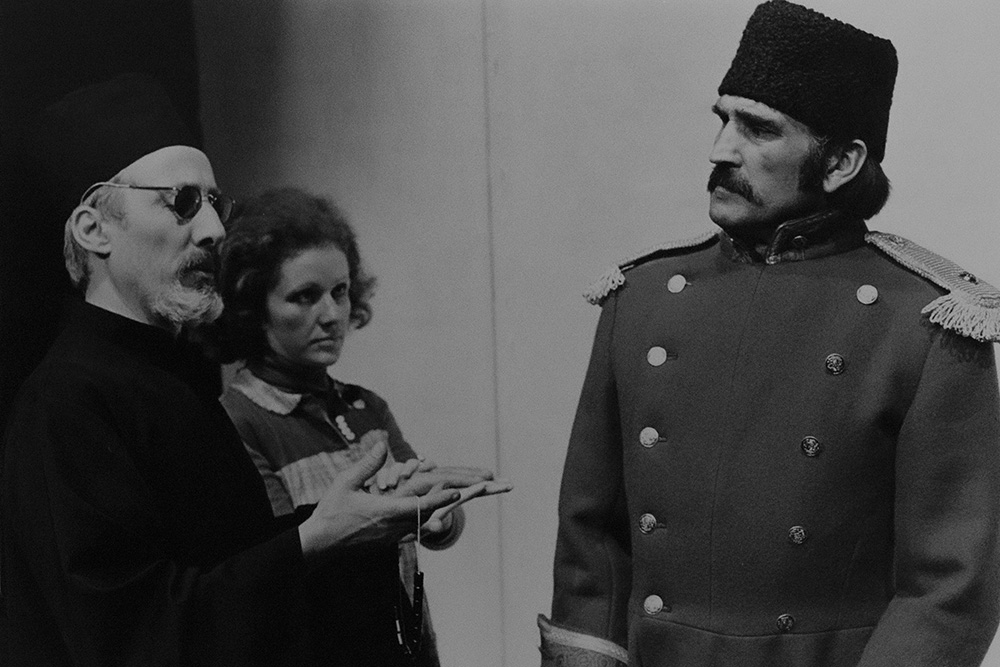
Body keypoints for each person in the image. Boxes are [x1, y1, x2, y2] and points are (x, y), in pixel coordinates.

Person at [539, 2, 1000, 666]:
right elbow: (591, 547)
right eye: (722, 119)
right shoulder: (640, 299)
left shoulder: (927, 323)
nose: (720, 151)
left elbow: (947, 592)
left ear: (841, 161)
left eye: (759, 130)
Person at [0, 73, 495, 666]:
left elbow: (232, 566)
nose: (212, 229)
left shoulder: (167, 377)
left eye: (215, 204)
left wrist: (366, 514)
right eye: (182, 201)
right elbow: (130, 635)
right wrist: (318, 537)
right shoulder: (66, 403)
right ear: (93, 228)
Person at [215, 187, 510, 666]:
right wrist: (386, 514)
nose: (331, 315)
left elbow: (430, 521)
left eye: (340, 292)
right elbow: (276, 567)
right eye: (304, 297)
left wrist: (435, 514)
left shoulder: (365, 406)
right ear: (252, 307)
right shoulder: (239, 421)